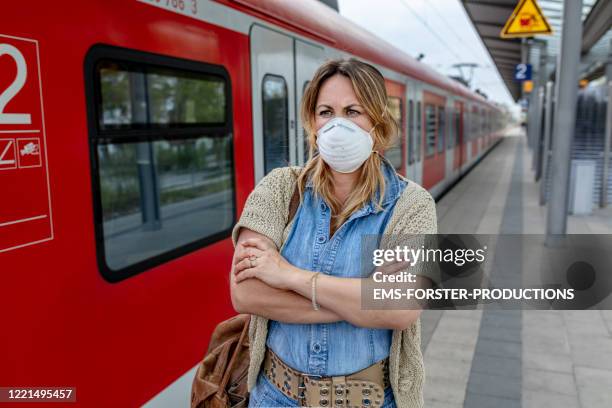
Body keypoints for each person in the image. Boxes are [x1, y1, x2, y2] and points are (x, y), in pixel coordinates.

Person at [230, 58, 438, 408]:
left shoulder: (413, 205)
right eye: (326, 111)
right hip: (273, 396)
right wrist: (363, 301)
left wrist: (286, 275)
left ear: (377, 121)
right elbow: (246, 294)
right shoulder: (279, 189)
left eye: (353, 111)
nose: (337, 124)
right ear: (312, 122)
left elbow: (402, 309)